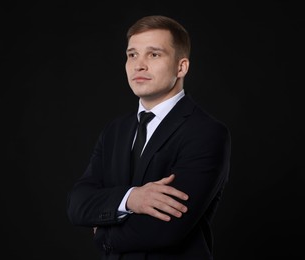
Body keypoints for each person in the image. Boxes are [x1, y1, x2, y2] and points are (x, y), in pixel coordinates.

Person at [67, 15, 231, 259]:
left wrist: (103, 234)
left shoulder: (206, 132)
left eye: (153, 54)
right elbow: (77, 204)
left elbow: (166, 228)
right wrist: (131, 198)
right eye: (132, 54)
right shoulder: (115, 130)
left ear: (181, 67)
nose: (139, 65)